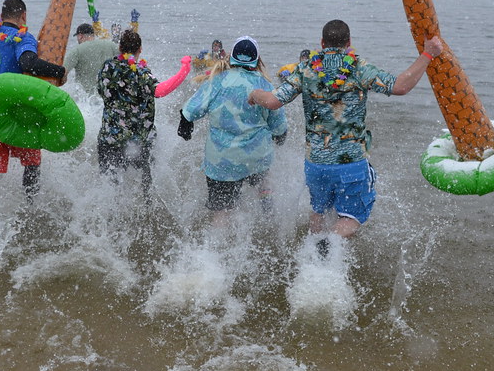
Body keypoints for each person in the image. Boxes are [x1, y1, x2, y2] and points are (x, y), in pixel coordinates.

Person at [248, 19, 443, 243]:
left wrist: (254, 95)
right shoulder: (359, 68)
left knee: (318, 211)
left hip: (316, 165)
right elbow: (400, 86)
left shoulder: (306, 69)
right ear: (349, 43)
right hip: (350, 164)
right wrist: (427, 54)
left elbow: (273, 101)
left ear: (322, 43)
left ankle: (312, 254)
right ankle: (326, 242)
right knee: (353, 218)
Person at [0, 0, 66, 211]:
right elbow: (28, 62)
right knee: (31, 163)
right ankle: (31, 207)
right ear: (23, 16)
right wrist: (59, 72)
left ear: (1, 16)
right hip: (16, 118)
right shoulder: (23, 38)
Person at [178, 36, 287, 226]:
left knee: (222, 211)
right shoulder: (265, 86)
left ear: (231, 58)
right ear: (257, 61)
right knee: (264, 175)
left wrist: (186, 125)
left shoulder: (216, 81)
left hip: (222, 161)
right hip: (256, 157)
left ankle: (214, 249)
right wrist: (279, 137)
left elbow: (190, 111)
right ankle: (267, 211)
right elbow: (279, 126)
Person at [97, 30, 190, 192]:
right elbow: (160, 91)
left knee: (109, 188)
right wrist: (184, 70)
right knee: (145, 186)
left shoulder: (107, 67)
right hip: (138, 141)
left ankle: (111, 215)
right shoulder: (140, 72)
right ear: (140, 49)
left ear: (120, 47)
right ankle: (146, 211)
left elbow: (101, 90)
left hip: (109, 139)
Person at [62, 22, 118, 92]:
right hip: (108, 94)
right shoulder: (110, 45)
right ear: (93, 34)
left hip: (86, 99)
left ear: (80, 36)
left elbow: (63, 72)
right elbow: (126, 59)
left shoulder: (76, 50)